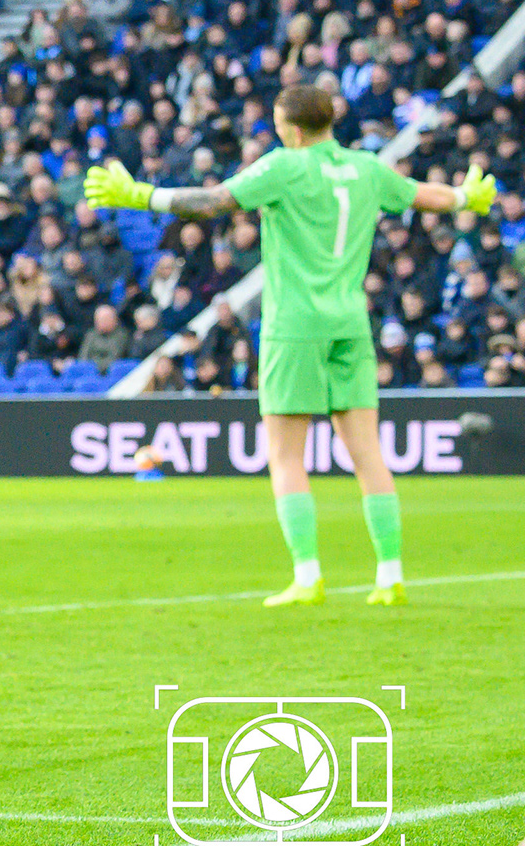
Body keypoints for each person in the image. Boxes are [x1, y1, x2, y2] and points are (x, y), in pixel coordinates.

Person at [86, 83, 497, 607]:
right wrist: (466, 198)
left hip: (295, 325)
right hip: (350, 323)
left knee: (286, 456)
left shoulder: (285, 166)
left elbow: (212, 202)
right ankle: (390, 575)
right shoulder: (366, 168)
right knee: (368, 454)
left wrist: (140, 195)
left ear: (294, 130)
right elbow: (423, 195)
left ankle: (308, 576)